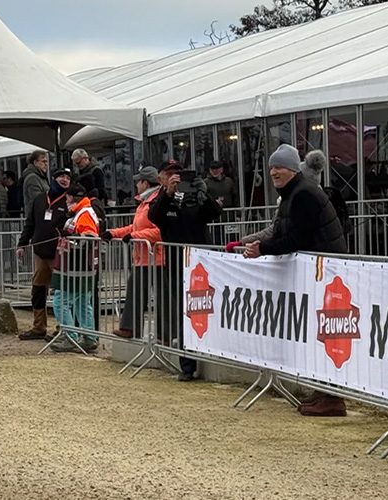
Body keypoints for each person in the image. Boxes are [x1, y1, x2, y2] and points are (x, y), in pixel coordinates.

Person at [243, 144, 347, 417]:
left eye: (279, 167)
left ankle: (333, 395)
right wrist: (253, 242)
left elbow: (296, 239)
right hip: (318, 273)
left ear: (292, 169)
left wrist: (261, 250)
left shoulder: (304, 196)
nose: (274, 172)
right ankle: (326, 390)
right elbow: (280, 232)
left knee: (328, 333)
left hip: (328, 273)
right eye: (271, 167)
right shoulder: (293, 195)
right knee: (318, 333)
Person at [148, 161, 222, 382]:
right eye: (170, 174)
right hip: (178, 265)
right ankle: (187, 365)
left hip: (203, 265)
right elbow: (154, 217)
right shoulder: (162, 199)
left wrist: (203, 192)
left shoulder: (196, 197)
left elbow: (214, 213)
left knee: (210, 309)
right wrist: (169, 193)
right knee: (183, 314)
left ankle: (214, 352)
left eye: (179, 174)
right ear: (161, 178)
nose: (175, 178)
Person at [102, 167, 164, 341]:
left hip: (158, 257)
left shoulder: (155, 202)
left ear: (145, 183)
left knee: (161, 297)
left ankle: (164, 333)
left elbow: (159, 231)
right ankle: (129, 327)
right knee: (135, 292)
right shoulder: (145, 203)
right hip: (143, 257)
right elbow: (135, 228)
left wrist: (134, 236)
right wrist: (114, 233)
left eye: (139, 181)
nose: (136, 185)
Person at [16, 168, 72, 341]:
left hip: (60, 253)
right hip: (41, 253)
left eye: (68, 177)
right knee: (38, 290)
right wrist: (22, 243)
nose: (65, 180)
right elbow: (30, 223)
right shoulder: (40, 199)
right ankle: (38, 326)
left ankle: (63, 328)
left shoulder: (70, 200)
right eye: (62, 176)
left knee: (62, 292)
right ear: (54, 178)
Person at [51, 184, 100, 353]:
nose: (65, 201)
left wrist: (73, 236)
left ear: (71, 198)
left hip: (75, 266)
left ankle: (71, 336)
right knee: (82, 302)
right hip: (81, 266)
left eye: (67, 198)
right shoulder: (82, 212)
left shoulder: (84, 214)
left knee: (60, 302)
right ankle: (88, 337)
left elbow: (91, 237)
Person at [22, 150, 50, 220]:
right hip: (36, 217)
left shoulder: (41, 177)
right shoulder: (33, 178)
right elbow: (37, 199)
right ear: (35, 163)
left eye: (46, 161)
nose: (46, 164)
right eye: (43, 161)